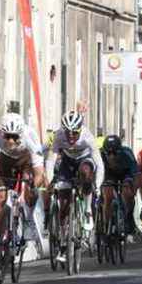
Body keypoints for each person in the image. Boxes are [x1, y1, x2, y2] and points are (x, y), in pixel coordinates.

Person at [45, 111, 104, 260]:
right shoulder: (59, 136)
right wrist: (51, 180)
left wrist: (96, 185)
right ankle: (64, 241)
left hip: (85, 160)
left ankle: (88, 210)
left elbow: (99, 164)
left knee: (85, 173)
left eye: (74, 133)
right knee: (63, 203)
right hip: (68, 162)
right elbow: (51, 161)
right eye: (68, 132)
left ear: (80, 129)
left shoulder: (87, 136)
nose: (71, 136)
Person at [0, 113, 44, 244]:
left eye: (14, 137)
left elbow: (39, 171)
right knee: (1, 197)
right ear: (2, 132)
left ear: (20, 134)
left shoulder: (30, 136)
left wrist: (33, 186)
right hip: (6, 160)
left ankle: (29, 220)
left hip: (26, 160)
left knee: (29, 185)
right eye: (7, 136)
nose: (10, 141)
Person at [100, 135, 139, 235]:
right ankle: (106, 225)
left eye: (115, 153)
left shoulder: (127, 154)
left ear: (120, 151)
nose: (111, 156)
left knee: (127, 193)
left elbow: (136, 175)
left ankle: (129, 216)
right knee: (107, 196)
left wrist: (133, 190)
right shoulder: (100, 155)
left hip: (125, 173)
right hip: (109, 174)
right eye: (108, 153)